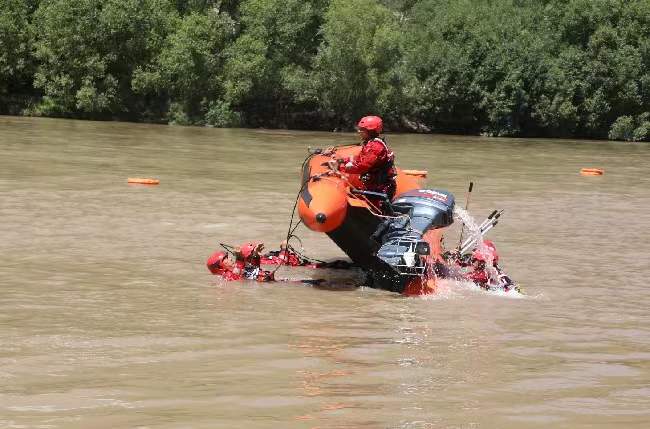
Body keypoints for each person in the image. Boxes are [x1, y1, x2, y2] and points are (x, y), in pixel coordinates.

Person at [329, 115, 396, 211]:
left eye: (362, 129)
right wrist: (342, 160)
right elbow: (359, 159)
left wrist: (339, 168)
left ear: (370, 131)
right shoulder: (370, 144)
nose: (359, 131)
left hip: (381, 189)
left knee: (376, 212)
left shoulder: (375, 147)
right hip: (374, 186)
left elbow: (362, 167)